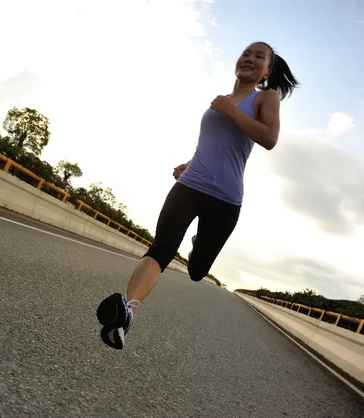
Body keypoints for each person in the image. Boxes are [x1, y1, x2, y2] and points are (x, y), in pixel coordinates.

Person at [96, 41, 299, 350]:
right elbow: (213, 144)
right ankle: (127, 311)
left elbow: (270, 138)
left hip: (225, 199)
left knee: (197, 270)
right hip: (190, 186)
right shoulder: (221, 101)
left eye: (259, 57)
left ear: (267, 71)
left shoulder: (265, 97)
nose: (249, 58)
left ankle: (197, 250)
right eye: (245, 52)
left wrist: (232, 112)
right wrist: (189, 164)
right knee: (161, 249)